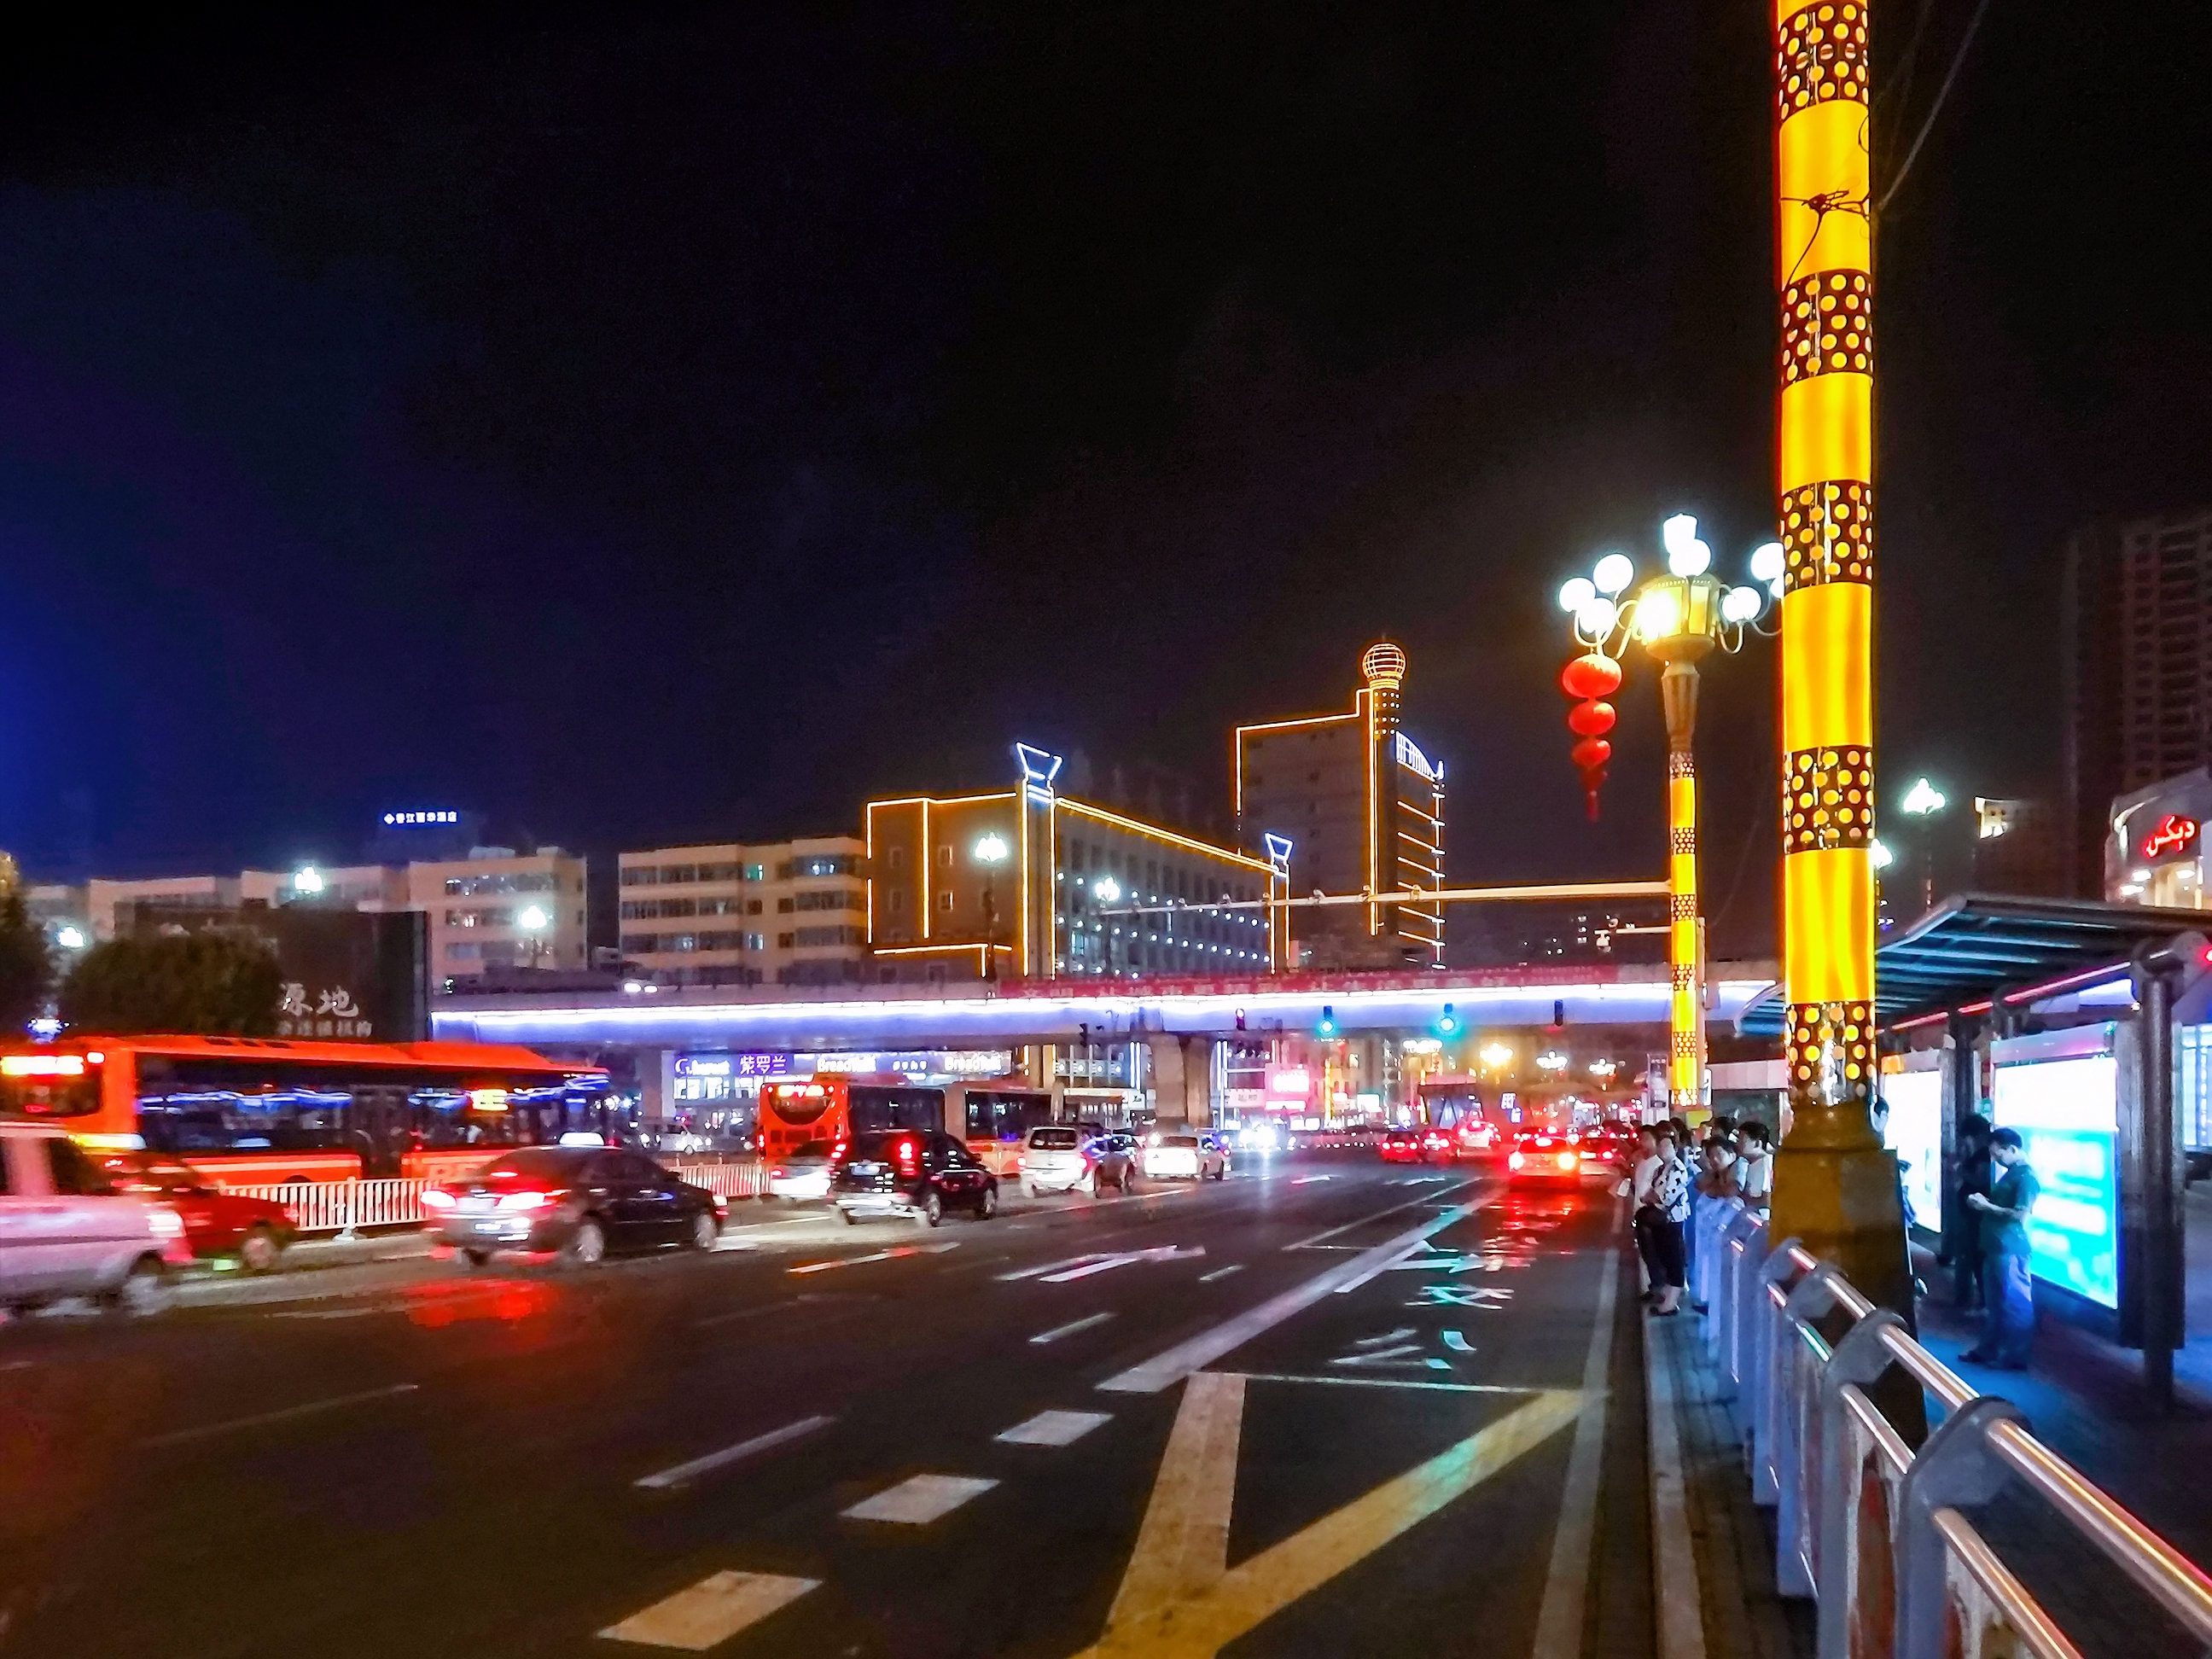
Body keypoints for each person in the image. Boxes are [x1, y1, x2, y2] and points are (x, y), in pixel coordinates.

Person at [1962, 1127, 2039, 1369]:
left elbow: (2020, 1215)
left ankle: (2017, 1356)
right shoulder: (2013, 1173)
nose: (1996, 1160)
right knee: (1995, 1304)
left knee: (2016, 1303)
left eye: (1998, 1154)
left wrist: (1986, 1207)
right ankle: (1989, 1349)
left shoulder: (2026, 1177)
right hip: (1995, 1246)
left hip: (2011, 1248)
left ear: (2013, 1149)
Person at [1638, 1125, 1691, 1315]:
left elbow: (1665, 1196)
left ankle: (1671, 1303)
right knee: (1665, 1256)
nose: (1662, 1150)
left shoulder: (1677, 1168)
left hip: (1672, 1219)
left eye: (1667, 1146)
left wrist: (1652, 1197)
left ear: (1675, 1149)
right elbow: (1653, 1192)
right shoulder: (1661, 1168)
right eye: (1660, 1146)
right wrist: (1651, 1197)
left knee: (1673, 1258)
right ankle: (1668, 1297)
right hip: (1661, 1220)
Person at [1947, 1115, 1993, 1310]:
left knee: (1976, 1257)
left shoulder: (1983, 1154)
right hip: (1968, 1210)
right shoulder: (1976, 1152)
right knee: (1970, 1256)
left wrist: (1959, 1170)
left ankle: (1983, 1301)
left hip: (1976, 1214)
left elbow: (1980, 1181)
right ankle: (1975, 1300)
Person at [1732, 1121, 1773, 1211]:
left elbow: (1766, 1200)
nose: (1737, 1144)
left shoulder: (1764, 1164)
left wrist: (1740, 1197)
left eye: (1741, 1140)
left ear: (1757, 1143)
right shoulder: (1754, 1163)